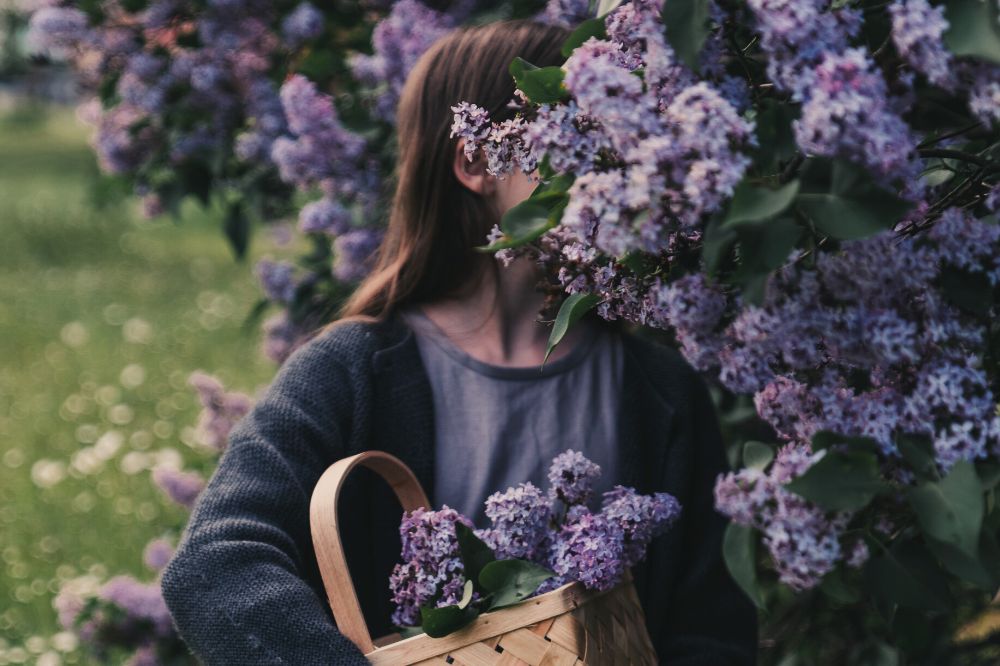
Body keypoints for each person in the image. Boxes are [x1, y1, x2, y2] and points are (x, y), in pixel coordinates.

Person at [160, 18, 759, 665]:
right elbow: (214, 563)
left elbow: (713, 630)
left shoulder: (660, 389)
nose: (621, 166)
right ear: (478, 160)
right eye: (582, 136)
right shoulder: (354, 371)